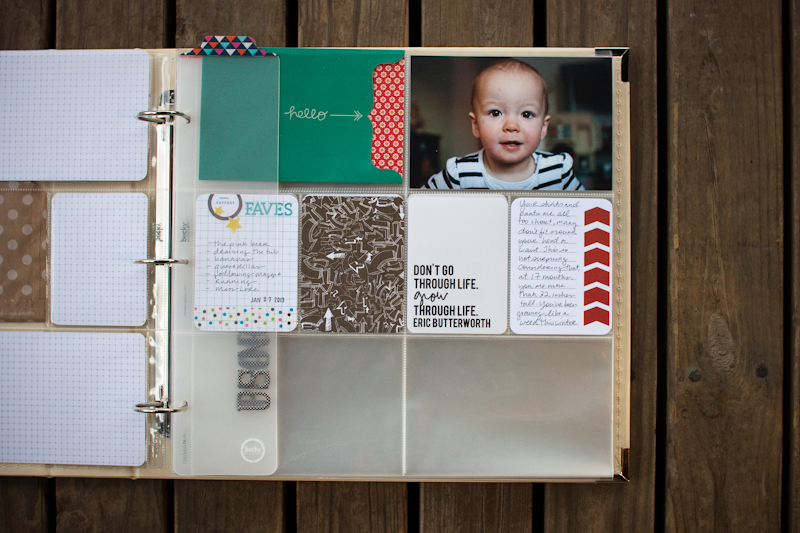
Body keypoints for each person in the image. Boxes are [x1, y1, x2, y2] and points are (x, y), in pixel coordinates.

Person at [422, 59, 581, 190]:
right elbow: (415, 205)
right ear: (475, 125)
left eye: (526, 114)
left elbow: (586, 211)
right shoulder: (459, 174)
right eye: (495, 113)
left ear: (543, 127)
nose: (511, 126)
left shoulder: (558, 172)